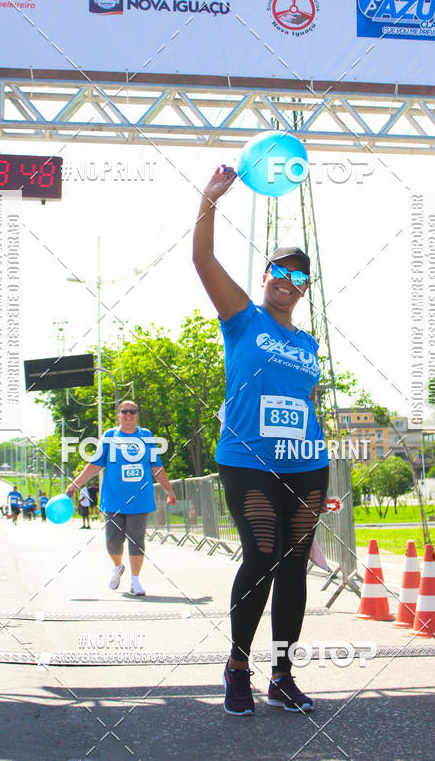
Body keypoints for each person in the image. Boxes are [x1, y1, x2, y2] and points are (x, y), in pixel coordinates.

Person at [193, 165, 329, 716]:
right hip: (247, 462)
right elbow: (202, 261)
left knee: (293, 567)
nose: (286, 280)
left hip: (307, 464)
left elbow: (302, 403)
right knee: (262, 557)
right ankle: (236, 667)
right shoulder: (243, 318)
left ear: (304, 289)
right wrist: (209, 200)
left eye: (299, 277)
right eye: (279, 269)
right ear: (266, 272)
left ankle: (282, 675)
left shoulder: (309, 341)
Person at [66, 400, 176, 597]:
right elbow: (95, 464)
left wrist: (169, 490)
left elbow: (156, 466)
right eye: (124, 411)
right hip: (113, 499)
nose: (128, 414)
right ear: (118, 415)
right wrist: (76, 484)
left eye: (132, 411)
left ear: (136, 415)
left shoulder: (146, 436)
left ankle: (135, 581)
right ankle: (117, 567)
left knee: (136, 538)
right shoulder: (109, 437)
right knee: (113, 542)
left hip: (140, 498)